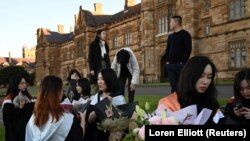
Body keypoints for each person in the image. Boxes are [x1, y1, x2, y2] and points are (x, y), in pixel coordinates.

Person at [158, 55, 223, 124]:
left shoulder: (212, 103)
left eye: (209, 77)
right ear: (189, 75)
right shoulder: (168, 103)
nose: (205, 82)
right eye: (201, 76)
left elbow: (221, 121)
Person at [25, 75, 86, 141]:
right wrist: (83, 119)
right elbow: (79, 137)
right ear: (58, 93)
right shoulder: (65, 119)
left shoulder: (33, 119)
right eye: (62, 90)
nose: (62, 93)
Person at [86, 68, 126, 141]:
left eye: (102, 79)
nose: (99, 82)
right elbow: (89, 120)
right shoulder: (96, 97)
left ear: (110, 80)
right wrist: (102, 105)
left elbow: (123, 121)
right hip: (96, 135)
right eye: (98, 79)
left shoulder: (119, 98)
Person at [2, 75, 34, 141]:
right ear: (15, 84)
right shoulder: (8, 101)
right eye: (22, 83)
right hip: (14, 135)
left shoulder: (29, 98)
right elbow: (8, 122)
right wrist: (20, 108)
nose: (24, 85)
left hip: (28, 132)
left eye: (25, 83)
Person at [165, 15, 192, 93]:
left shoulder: (186, 35)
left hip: (180, 66)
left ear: (176, 22)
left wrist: (182, 62)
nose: (169, 24)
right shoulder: (170, 37)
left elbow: (188, 50)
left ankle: (183, 103)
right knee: (173, 88)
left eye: (171, 22)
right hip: (170, 66)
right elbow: (167, 50)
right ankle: (174, 104)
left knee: (182, 86)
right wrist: (167, 62)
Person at [88, 29, 111, 95]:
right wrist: (92, 68)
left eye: (105, 34)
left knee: (105, 82)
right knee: (95, 83)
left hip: (105, 65)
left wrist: (109, 67)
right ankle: (93, 99)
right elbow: (90, 57)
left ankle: (103, 98)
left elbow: (107, 57)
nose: (105, 35)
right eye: (103, 34)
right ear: (98, 35)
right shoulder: (93, 44)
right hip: (96, 66)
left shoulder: (106, 45)